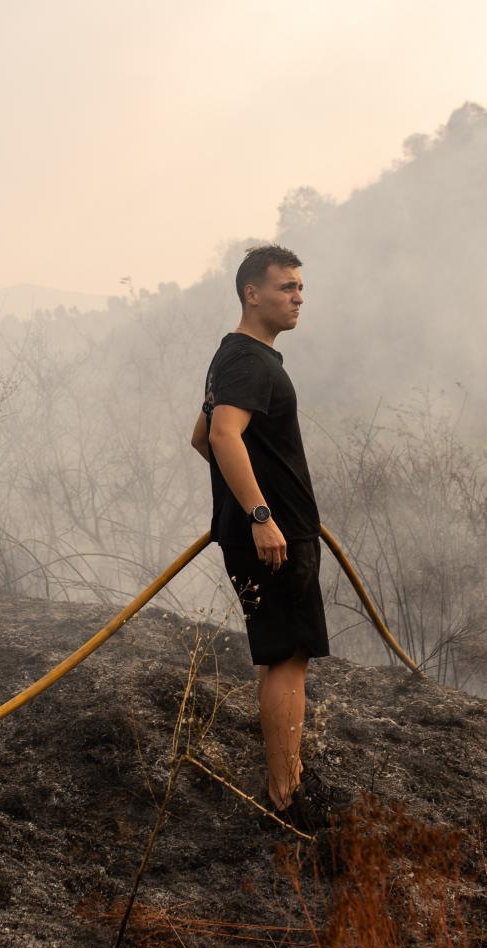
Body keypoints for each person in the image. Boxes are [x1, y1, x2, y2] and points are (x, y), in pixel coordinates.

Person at [189, 244, 334, 832]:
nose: (298, 298)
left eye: (301, 288)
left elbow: (202, 436)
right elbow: (222, 436)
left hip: (272, 530)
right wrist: (259, 514)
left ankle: (288, 777)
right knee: (286, 659)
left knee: (282, 654)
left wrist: (250, 504)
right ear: (253, 293)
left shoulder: (237, 357)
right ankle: (285, 795)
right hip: (275, 536)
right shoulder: (249, 361)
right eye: (286, 288)